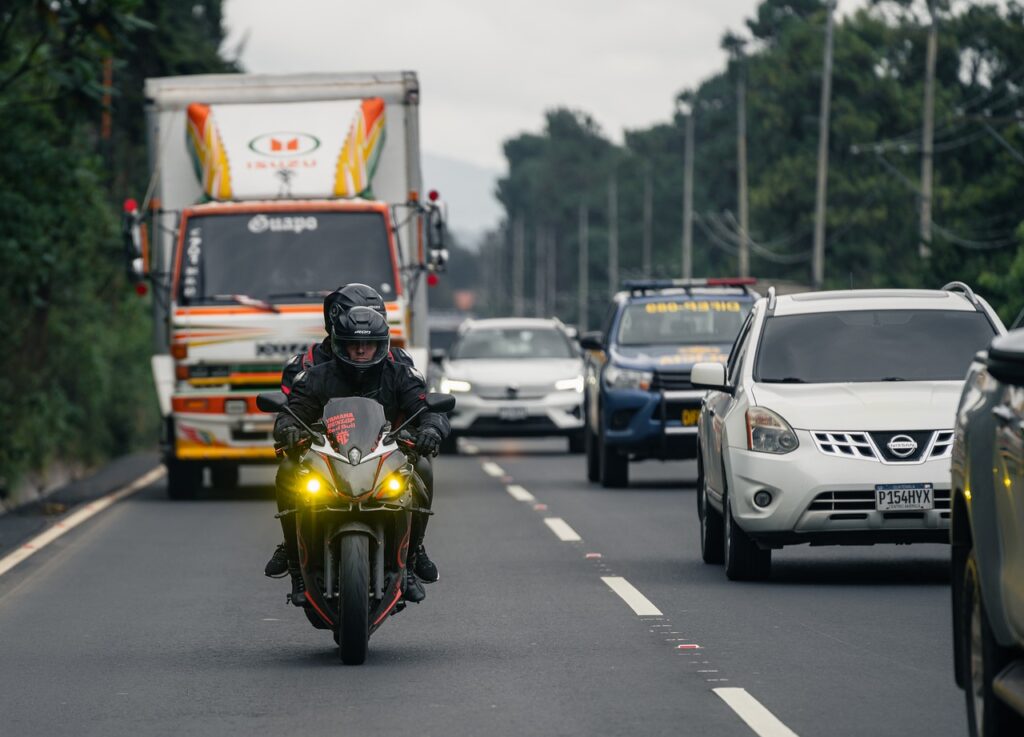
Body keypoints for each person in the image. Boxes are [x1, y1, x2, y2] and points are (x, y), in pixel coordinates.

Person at [270, 303, 450, 604]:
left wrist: (431, 429)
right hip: (329, 457)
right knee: (288, 470)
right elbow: (290, 413)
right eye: (353, 344)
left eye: (369, 344)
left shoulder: (400, 374)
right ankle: (295, 563)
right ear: (339, 344)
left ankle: (411, 556)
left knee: (422, 467)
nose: (361, 350)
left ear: (382, 345)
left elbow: (427, 409)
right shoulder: (315, 377)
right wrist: (288, 428)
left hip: (387, 455)